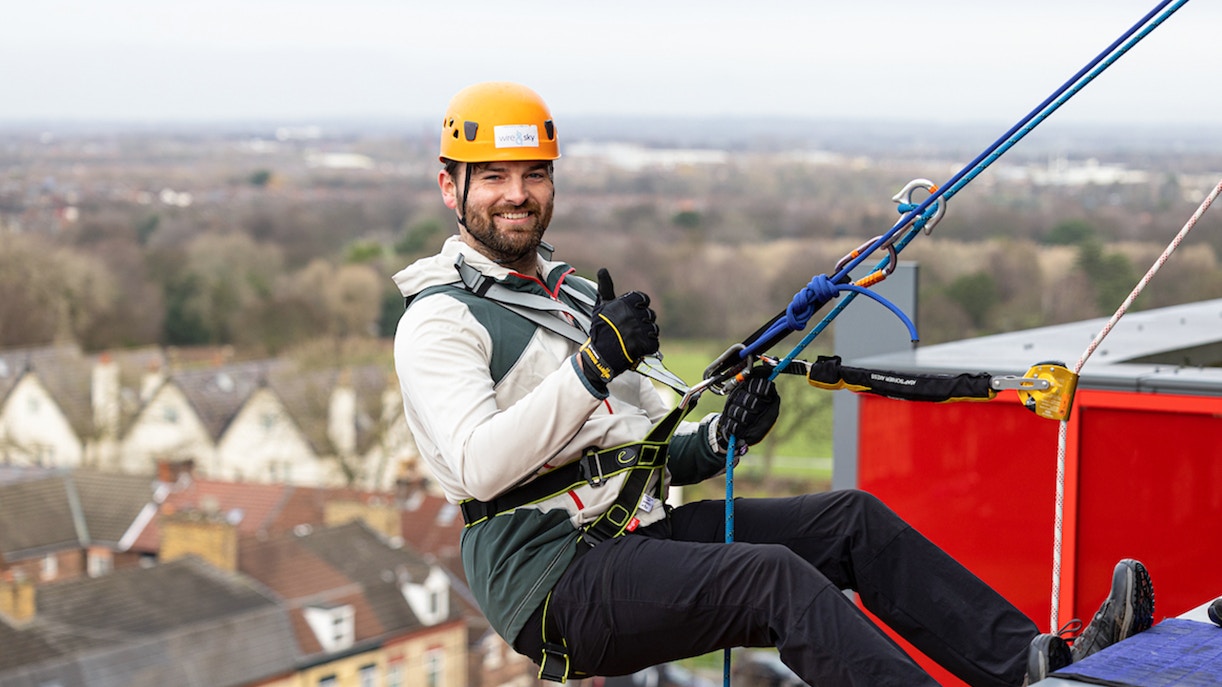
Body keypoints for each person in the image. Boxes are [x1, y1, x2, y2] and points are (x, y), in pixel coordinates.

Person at [391, 81, 1155, 687]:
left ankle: (1036, 664)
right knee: (771, 578)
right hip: (552, 581)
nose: (516, 194)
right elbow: (480, 466)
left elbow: (643, 451)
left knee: (852, 521)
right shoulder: (441, 321)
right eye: (492, 176)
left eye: (532, 174)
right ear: (448, 187)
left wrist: (723, 436)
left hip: (631, 535)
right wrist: (593, 367)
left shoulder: (572, 296)